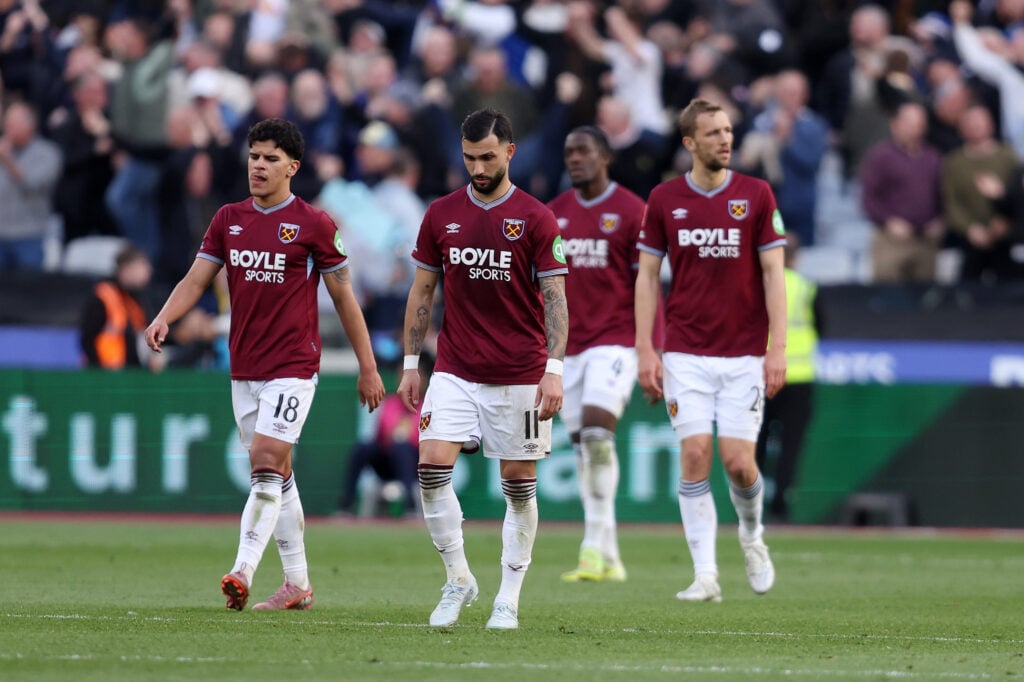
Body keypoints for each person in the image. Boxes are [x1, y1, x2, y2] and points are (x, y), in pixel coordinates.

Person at [144, 118, 385, 611]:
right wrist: (165, 317)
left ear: (292, 167)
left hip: (294, 366)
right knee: (279, 474)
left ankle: (242, 569)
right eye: (254, 155)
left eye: (271, 158)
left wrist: (368, 367)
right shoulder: (228, 218)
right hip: (244, 367)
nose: (259, 165)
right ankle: (297, 584)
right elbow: (196, 279)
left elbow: (344, 299)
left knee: (266, 462)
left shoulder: (316, 224)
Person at [396, 108, 568, 630]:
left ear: (509, 152)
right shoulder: (441, 214)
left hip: (520, 372)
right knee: (430, 468)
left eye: (487, 157)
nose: (477, 167)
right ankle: (458, 578)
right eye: (469, 157)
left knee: (518, 483)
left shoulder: (536, 218)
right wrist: (410, 362)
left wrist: (554, 368)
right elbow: (423, 290)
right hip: (455, 366)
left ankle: (508, 597)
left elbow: (555, 298)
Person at [635, 98, 787, 603]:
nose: (725, 139)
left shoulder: (757, 195)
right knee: (696, 453)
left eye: (728, 130)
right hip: (686, 352)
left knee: (739, 463)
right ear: (690, 143)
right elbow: (647, 278)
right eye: (714, 133)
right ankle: (705, 575)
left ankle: (751, 536)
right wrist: (646, 349)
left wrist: (777, 348)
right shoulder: (664, 200)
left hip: (744, 353)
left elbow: (773, 274)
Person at [547, 126, 645, 584]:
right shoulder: (554, 214)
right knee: (584, 450)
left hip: (616, 342)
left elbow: (647, 286)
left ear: (605, 156)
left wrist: (650, 348)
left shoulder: (631, 211)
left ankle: (590, 547)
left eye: (583, 151)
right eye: (568, 152)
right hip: (569, 351)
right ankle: (611, 555)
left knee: (597, 436)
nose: (574, 159)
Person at [755, 234, 823, 522]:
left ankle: (751, 502)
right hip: (799, 377)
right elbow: (822, 327)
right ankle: (781, 505)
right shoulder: (807, 287)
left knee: (756, 441)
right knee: (790, 444)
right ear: (796, 257)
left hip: (762, 374)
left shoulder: (757, 285)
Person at [859, 101, 945, 283]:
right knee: (888, 295)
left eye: (919, 124)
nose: (914, 129)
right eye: (909, 123)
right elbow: (869, 198)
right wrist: (888, 221)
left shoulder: (933, 157)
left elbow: (944, 195)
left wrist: (939, 220)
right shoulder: (881, 157)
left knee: (927, 297)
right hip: (893, 239)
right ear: (895, 125)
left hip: (926, 239)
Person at [79, 244, 152, 370]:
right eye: (141, 266)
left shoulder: (138, 299)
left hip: (131, 373)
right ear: (125, 269)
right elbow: (87, 338)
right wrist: (98, 369)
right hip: (105, 372)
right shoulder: (103, 296)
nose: (148, 271)